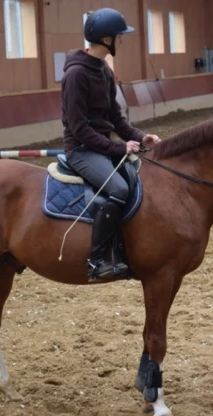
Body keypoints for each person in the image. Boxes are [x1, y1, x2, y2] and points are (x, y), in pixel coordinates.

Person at [61, 8, 161, 281]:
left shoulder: (104, 69)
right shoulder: (76, 75)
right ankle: (96, 260)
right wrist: (119, 148)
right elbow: (80, 129)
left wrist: (140, 137)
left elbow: (116, 117)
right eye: (119, 37)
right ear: (106, 39)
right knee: (117, 188)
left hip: (101, 146)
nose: (122, 41)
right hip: (81, 150)